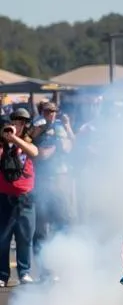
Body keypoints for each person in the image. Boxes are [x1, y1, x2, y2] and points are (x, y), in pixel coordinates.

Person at [30, 101, 74, 279]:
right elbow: (38, 153)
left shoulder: (60, 127)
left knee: (63, 223)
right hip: (42, 182)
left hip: (60, 179)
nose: (52, 114)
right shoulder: (37, 126)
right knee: (41, 229)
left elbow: (69, 147)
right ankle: (44, 270)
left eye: (54, 111)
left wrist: (66, 128)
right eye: (48, 111)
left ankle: (60, 265)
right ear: (43, 112)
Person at [0, 107, 40, 286]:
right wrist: (5, 138)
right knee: (2, 239)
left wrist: (14, 138)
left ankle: (24, 272)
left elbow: (34, 152)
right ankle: (2, 275)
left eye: (22, 121)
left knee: (25, 237)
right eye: (16, 121)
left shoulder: (27, 142)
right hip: (5, 198)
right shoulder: (2, 145)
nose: (19, 124)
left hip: (25, 198)